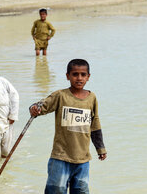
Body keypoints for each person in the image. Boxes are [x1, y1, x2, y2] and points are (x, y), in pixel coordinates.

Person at [29, 59, 107, 194]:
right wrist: (34, 108)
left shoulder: (92, 98)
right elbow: (42, 105)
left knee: (81, 190)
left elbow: (95, 123)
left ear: (88, 77)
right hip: (60, 157)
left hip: (83, 159)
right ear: (67, 76)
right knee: (56, 190)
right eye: (75, 74)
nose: (79, 78)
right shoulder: (61, 96)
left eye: (83, 75)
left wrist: (100, 148)